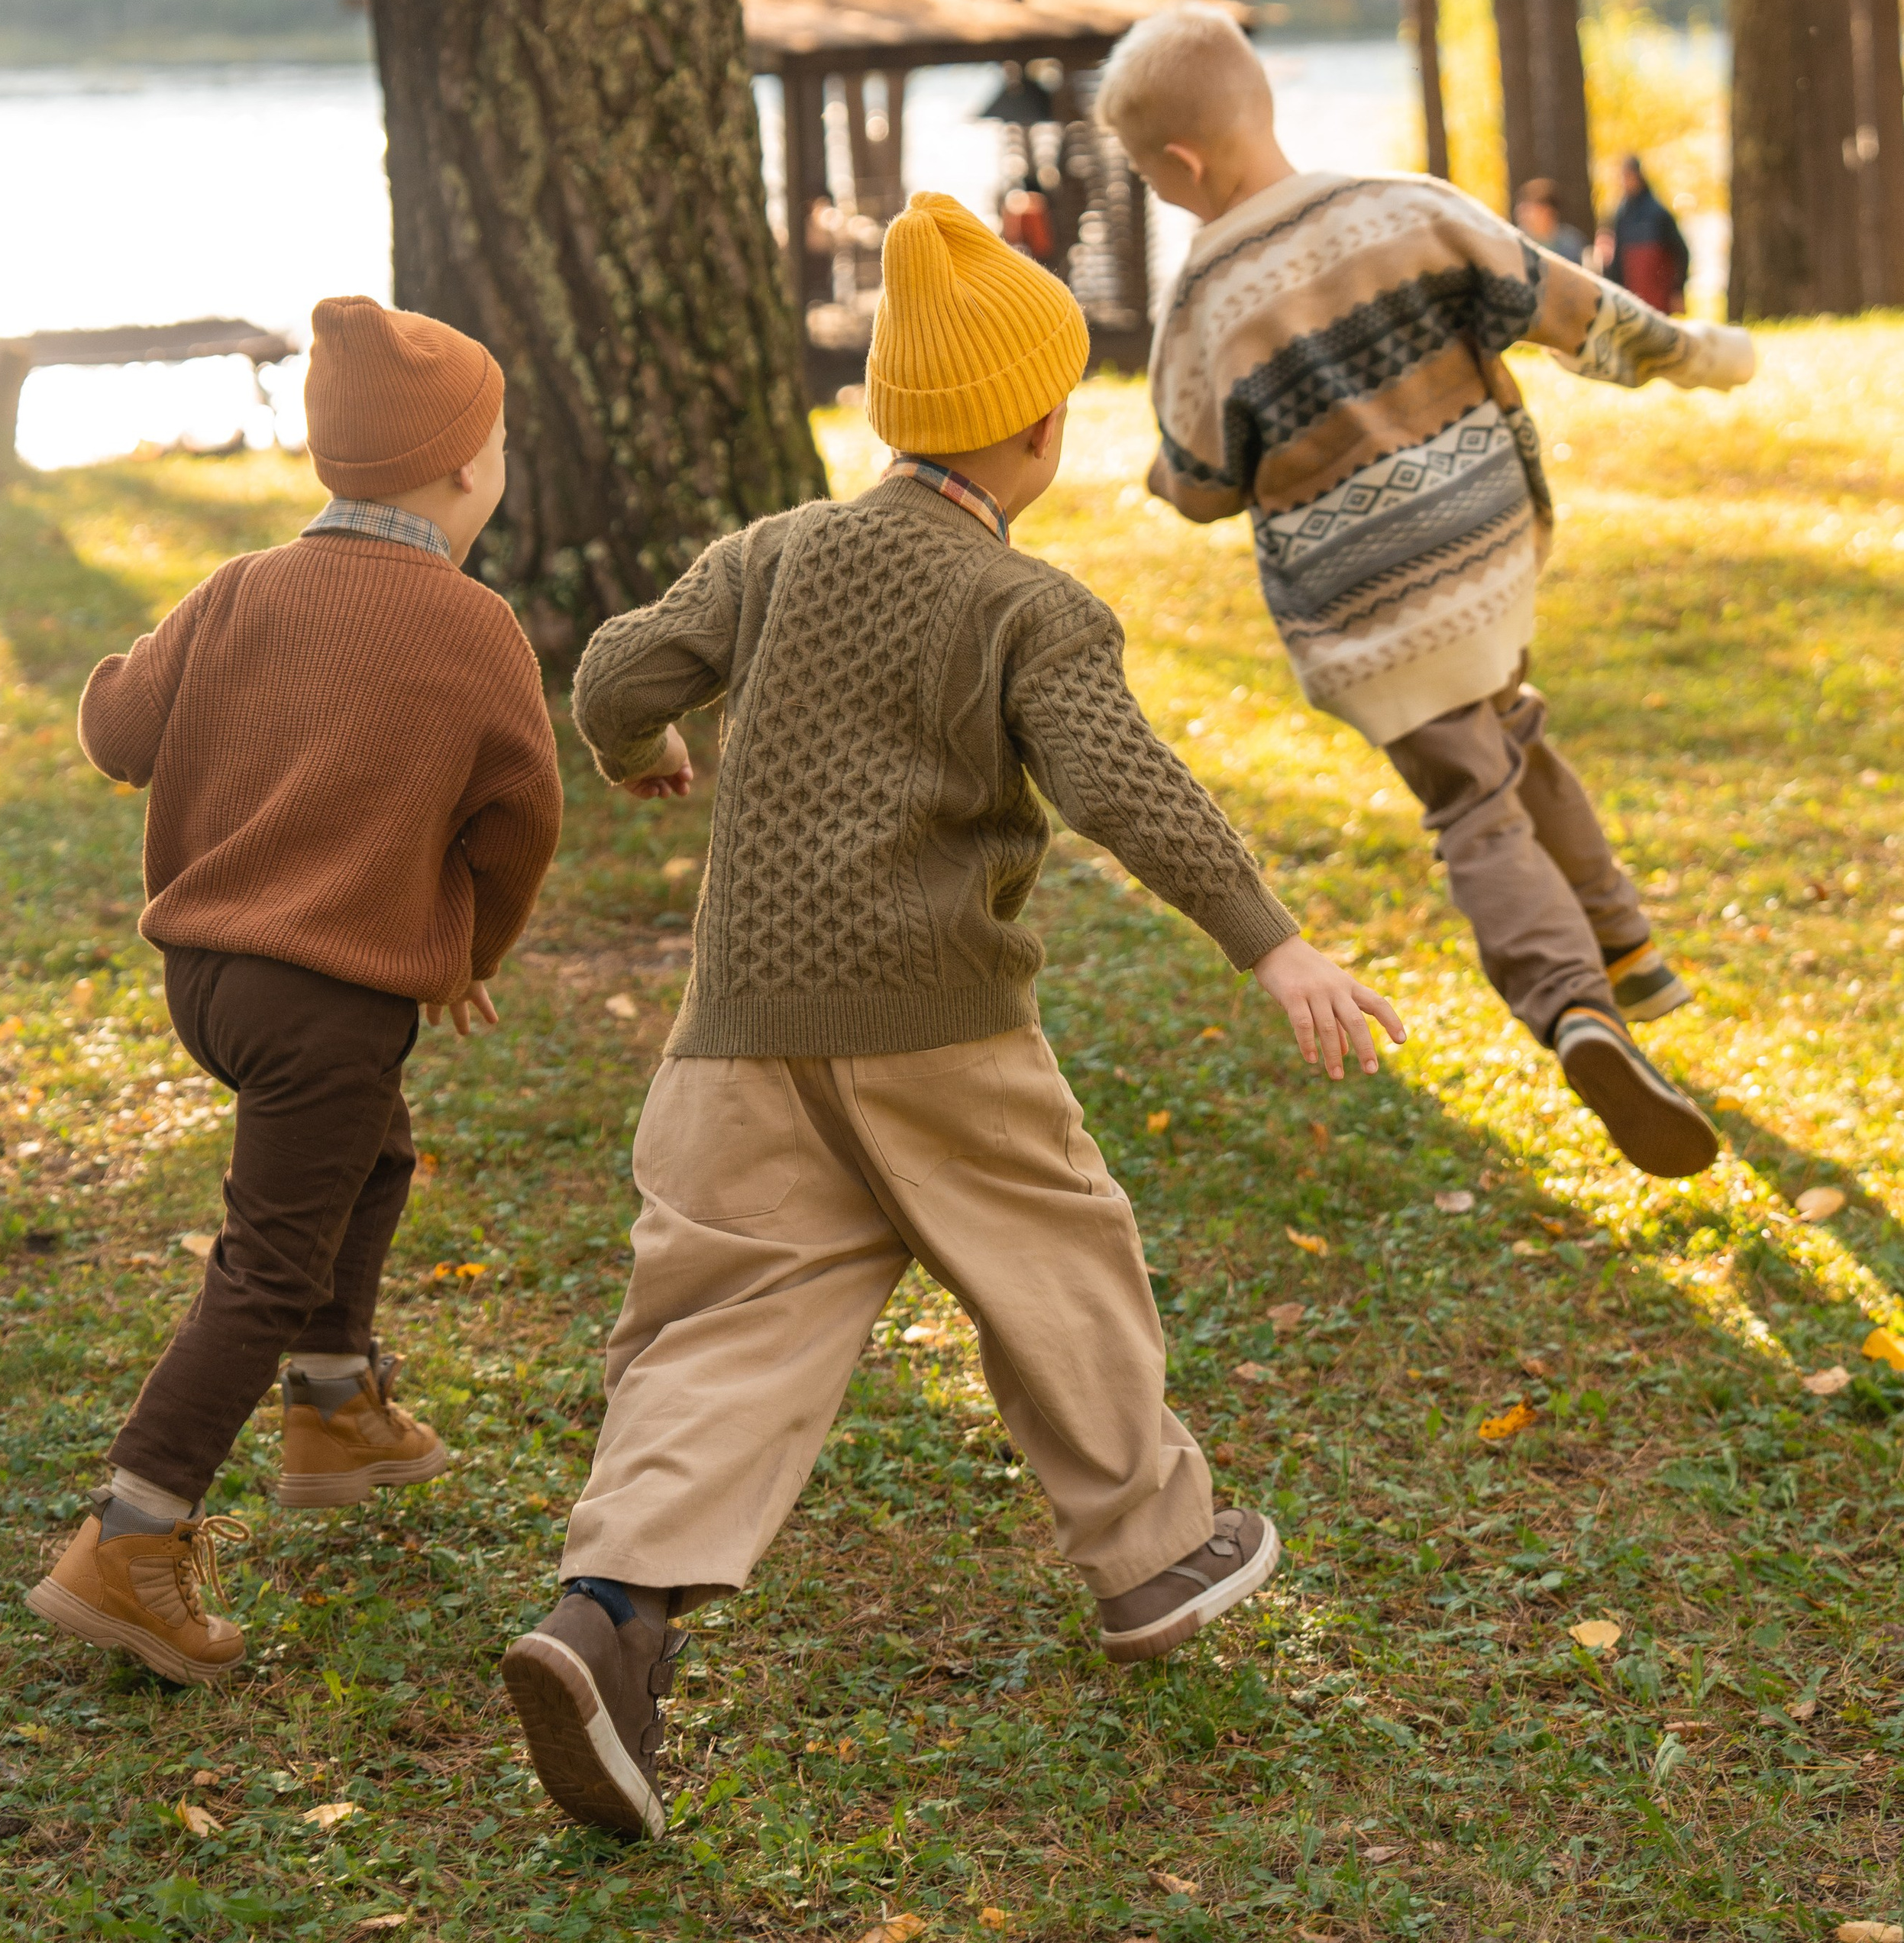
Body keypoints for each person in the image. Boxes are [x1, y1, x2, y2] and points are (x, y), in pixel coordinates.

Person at [500, 192, 1401, 1841]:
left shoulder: (773, 553)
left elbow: (619, 674)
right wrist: (1268, 943)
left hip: (738, 1029)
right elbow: (1118, 782)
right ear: (1043, 426)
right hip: (934, 1024)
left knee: (722, 1317)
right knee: (1057, 1257)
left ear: (886, 411)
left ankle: (608, 1614)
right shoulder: (1025, 605)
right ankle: (1152, 1555)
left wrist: (641, 753)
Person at [1096, 5, 1756, 1190]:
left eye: (1147, 176)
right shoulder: (1403, 208)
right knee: (1510, 728)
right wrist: (1694, 354)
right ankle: (1628, 948)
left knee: (1474, 806)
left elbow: (1200, 483)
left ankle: (1573, 1008)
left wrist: (1161, 474)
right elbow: (1565, 304)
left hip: (1370, 617)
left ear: (1180, 165)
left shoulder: (1200, 304)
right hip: (1485, 560)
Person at [27, 297, 563, 1687]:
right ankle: (132, 1536)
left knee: (369, 1153)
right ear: (465, 468)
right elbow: (519, 824)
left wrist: (131, 668)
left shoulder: (238, 588)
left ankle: (333, 1402)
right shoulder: (476, 628)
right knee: (265, 1264)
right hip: (328, 1001)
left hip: (208, 983)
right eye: (500, 442)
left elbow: (118, 729)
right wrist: (469, 952)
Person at [1600, 155, 1690, 312]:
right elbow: (1618, 259)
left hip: (1658, 297)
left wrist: (1677, 291)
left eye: (1629, 176)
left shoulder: (1658, 213)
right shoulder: (1622, 215)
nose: (1625, 182)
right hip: (1631, 296)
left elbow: (1680, 252)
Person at [1513, 177, 1586, 265]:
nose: (1520, 213)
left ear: (1548, 211)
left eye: (1528, 208)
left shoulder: (1572, 244)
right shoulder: (1514, 242)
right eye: (1520, 207)